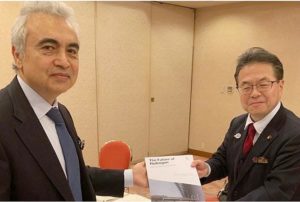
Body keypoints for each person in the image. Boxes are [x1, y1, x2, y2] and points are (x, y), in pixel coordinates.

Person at [0, 2, 147, 201]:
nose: (64, 61)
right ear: (18, 55)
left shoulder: (61, 113)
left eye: (72, 51)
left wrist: (130, 177)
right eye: (49, 47)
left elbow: (66, 177)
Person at [192, 47, 300, 200]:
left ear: (280, 86)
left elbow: (276, 192)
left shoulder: (295, 134)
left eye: (263, 84)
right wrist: (207, 168)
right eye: (246, 86)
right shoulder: (238, 123)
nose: (254, 93)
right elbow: (223, 160)